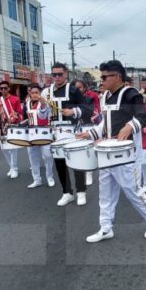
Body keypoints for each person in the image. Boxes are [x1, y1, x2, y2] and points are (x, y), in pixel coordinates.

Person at [82, 60, 146, 242]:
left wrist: (129, 127)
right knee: (106, 192)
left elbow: (142, 117)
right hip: (106, 152)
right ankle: (106, 227)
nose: (101, 80)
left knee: (132, 190)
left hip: (127, 154)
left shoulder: (131, 95)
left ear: (117, 77)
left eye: (104, 77)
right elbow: (105, 124)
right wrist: (90, 133)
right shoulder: (105, 96)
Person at [42, 63, 90, 206]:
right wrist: (43, 106)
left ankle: (81, 192)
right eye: (54, 74)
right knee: (60, 163)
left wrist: (73, 111)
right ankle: (67, 192)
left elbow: (87, 108)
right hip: (56, 132)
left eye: (59, 74)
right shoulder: (46, 92)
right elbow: (43, 114)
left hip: (72, 131)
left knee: (76, 162)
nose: (57, 77)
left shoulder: (73, 90)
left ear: (66, 74)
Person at [24, 83, 55, 188]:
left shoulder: (45, 103)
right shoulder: (27, 103)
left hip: (44, 133)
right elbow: (27, 118)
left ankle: (49, 177)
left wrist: (42, 105)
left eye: (36, 92)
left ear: (40, 93)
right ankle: (37, 179)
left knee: (47, 156)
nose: (34, 94)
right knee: (33, 158)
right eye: (32, 93)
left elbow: (43, 116)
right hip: (32, 134)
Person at [0, 80, 23, 179]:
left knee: (13, 148)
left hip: (13, 126)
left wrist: (15, 117)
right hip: (2, 127)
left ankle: (15, 168)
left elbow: (20, 112)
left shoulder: (15, 99)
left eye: (5, 88)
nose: (3, 90)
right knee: (4, 149)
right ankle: (11, 167)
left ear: (9, 88)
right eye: (1, 88)